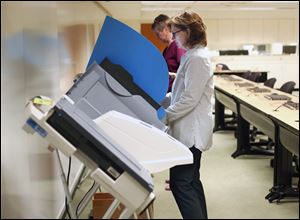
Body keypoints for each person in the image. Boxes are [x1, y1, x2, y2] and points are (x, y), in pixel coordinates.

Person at [162, 11, 213, 219]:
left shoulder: (197, 58)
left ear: (189, 31)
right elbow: (184, 90)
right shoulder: (192, 56)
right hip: (188, 127)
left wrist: (164, 115)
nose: (174, 38)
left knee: (180, 183)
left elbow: (190, 98)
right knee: (190, 181)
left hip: (191, 131)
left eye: (176, 33)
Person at [152, 14, 186, 93]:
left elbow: (184, 70)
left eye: (158, 34)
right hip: (168, 90)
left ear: (166, 29)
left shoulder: (177, 46)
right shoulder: (166, 50)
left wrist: (172, 75)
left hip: (176, 91)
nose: (157, 37)